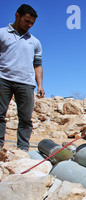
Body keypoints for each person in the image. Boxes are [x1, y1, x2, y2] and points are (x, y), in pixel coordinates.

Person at [0, 4, 44, 151]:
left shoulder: (35, 42)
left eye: (32, 23)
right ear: (17, 15)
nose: (29, 25)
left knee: (25, 119)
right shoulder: (1, 34)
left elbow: (37, 65)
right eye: (27, 21)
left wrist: (40, 85)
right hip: (3, 80)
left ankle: (23, 150)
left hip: (26, 83)